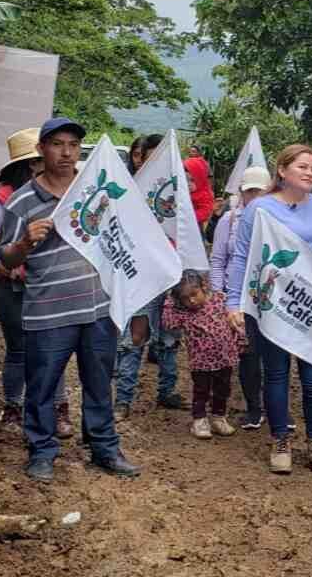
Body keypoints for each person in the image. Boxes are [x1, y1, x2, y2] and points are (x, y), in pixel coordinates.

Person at [0, 116, 140, 482]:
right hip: (48, 311)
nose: (66, 152)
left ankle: (105, 449)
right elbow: (6, 258)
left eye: (73, 145)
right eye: (57, 144)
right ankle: (42, 452)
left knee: (98, 383)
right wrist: (26, 242)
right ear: (41, 150)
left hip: (97, 308)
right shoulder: (22, 201)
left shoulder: (94, 190)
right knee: (42, 386)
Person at [226, 144, 312, 477]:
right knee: (276, 375)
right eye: (303, 166)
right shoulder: (260, 208)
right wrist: (233, 301)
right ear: (282, 171)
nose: (310, 172)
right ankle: (281, 440)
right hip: (273, 306)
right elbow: (242, 257)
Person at [0, 128, 74, 439]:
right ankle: (15, 407)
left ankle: (57, 408)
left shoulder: (54, 193)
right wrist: (2, 265)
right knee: (20, 350)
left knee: (55, 347)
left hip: (49, 283)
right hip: (13, 288)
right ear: (30, 165)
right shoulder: (1, 198)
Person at [114, 133, 183, 420]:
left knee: (169, 339)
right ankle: (123, 400)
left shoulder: (178, 194)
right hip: (140, 276)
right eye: (153, 158)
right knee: (135, 337)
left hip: (172, 276)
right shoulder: (125, 192)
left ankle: (166, 391)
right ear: (138, 157)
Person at [210, 166, 268, 429]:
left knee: (273, 354)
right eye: (249, 191)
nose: (254, 196)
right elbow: (218, 259)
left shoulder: (276, 221)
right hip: (237, 297)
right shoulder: (230, 220)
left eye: (259, 191)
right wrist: (219, 294)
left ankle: (274, 406)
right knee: (247, 352)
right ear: (242, 193)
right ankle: (254, 408)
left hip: (267, 297)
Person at [162, 270, 245, 439]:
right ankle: (199, 420)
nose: (191, 300)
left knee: (223, 389)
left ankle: (218, 417)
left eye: (194, 294)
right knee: (202, 391)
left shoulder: (220, 300)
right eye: (185, 298)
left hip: (225, 358)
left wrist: (241, 339)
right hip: (201, 362)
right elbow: (168, 324)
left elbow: (235, 319)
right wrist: (170, 302)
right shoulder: (182, 312)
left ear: (204, 287)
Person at [184, 152, 215, 231]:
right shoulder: (183, 191)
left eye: (192, 180)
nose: (188, 184)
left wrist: (190, 217)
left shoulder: (204, 194)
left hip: (195, 226)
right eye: (185, 180)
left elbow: (206, 211)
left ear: (200, 180)